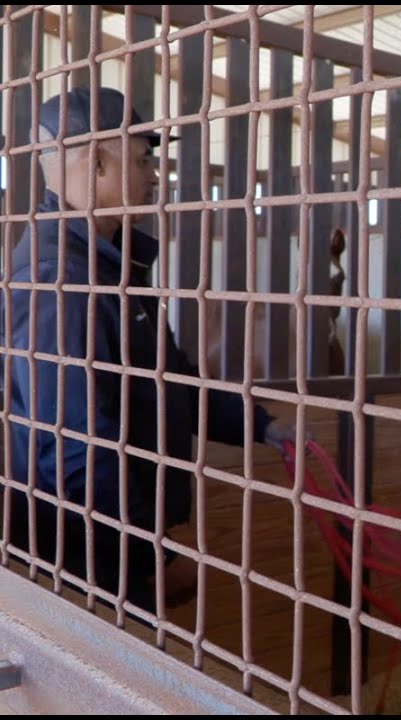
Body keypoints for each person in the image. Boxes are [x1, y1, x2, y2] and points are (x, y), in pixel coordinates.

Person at [0, 85, 297, 614]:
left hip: (105, 546)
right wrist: (148, 556)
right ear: (97, 162)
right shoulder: (59, 279)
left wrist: (262, 426)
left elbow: (170, 378)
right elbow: (72, 445)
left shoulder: (108, 266)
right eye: (141, 160)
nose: (155, 176)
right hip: (85, 556)